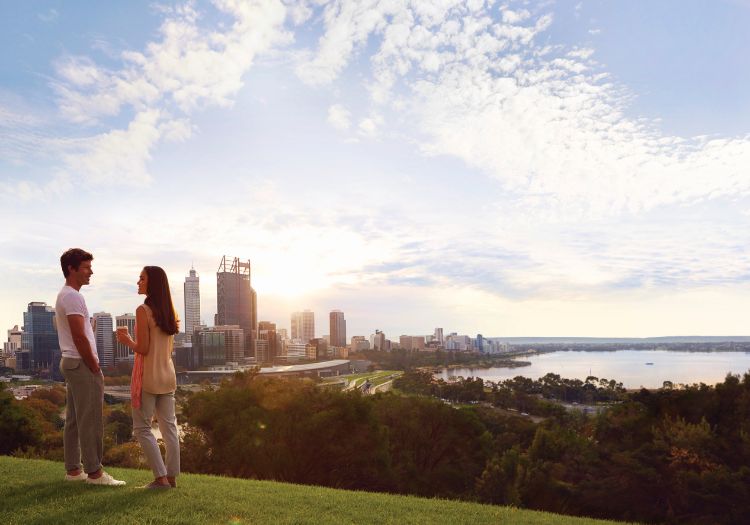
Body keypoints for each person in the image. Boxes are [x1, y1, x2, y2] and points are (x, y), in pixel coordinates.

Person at [56, 248, 126, 486]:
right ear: (71, 269)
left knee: (75, 419)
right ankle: (95, 473)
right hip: (81, 363)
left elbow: (78, 331)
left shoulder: (66, 295)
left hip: (71, 362)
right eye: (86, 267)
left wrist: (90, 328)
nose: (91, 272)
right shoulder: (73, 296)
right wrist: (94, 364)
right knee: (91, 419)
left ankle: (74, 470)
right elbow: (78, 336)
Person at [117, 266, 180, 489]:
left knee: (142, 428)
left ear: (151, 283)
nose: (138, 282)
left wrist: (126, 341)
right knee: (169, 427)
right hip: (167, 376)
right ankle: (171, 477)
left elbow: (142, 348)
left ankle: (160, 478)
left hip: (148, 378)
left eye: (142, 278)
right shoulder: (171, 313)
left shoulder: (143, 310)